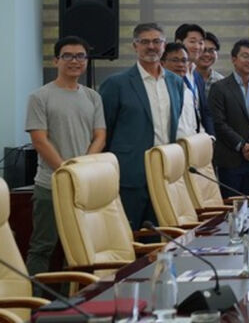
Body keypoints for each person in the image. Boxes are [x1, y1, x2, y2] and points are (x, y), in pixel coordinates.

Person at [25, 36, 106, 275]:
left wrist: (81, 171)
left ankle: (72, 297)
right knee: (42, 247)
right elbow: (40, 140)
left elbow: (100, 136)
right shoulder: (40, 96)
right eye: (68, 56)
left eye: (80, 56)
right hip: (50, 185)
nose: (75, 61)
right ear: (56, 60)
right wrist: (67, 173)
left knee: (78, 250)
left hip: (83, 186)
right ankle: (33, 298)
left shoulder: (93, 96)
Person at [100, 22, 184, 229]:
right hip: (130, 174)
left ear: (164, 45)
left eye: (156, 41)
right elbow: (105, 131)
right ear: (135, 46)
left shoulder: (175, 82)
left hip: (164, 172)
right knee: (128, 234)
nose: (151, 46)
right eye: (144, 42)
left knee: (160, 234)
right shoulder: (116, 84)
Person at [208, 38, 249, 197]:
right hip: (231, 159)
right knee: (232, 206)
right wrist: (242, 145)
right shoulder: (219, 88)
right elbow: (219, 123)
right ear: (234, 59)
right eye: (245, 56)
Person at [173, 23, 215, 135]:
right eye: (192, 42)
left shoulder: (197, 76)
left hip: (196, 138)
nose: (197, 47)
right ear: (179, 43)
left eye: (201, 43)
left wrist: (211, 137)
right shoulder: (171, 74)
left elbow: (204, 110)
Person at [160, 42, 201, 138]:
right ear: (162, 63)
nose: (180, 65)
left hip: (187, 144)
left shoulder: (188, 92)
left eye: (184, 61)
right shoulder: (159, 90)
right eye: (175, 60)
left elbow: (193, 126)